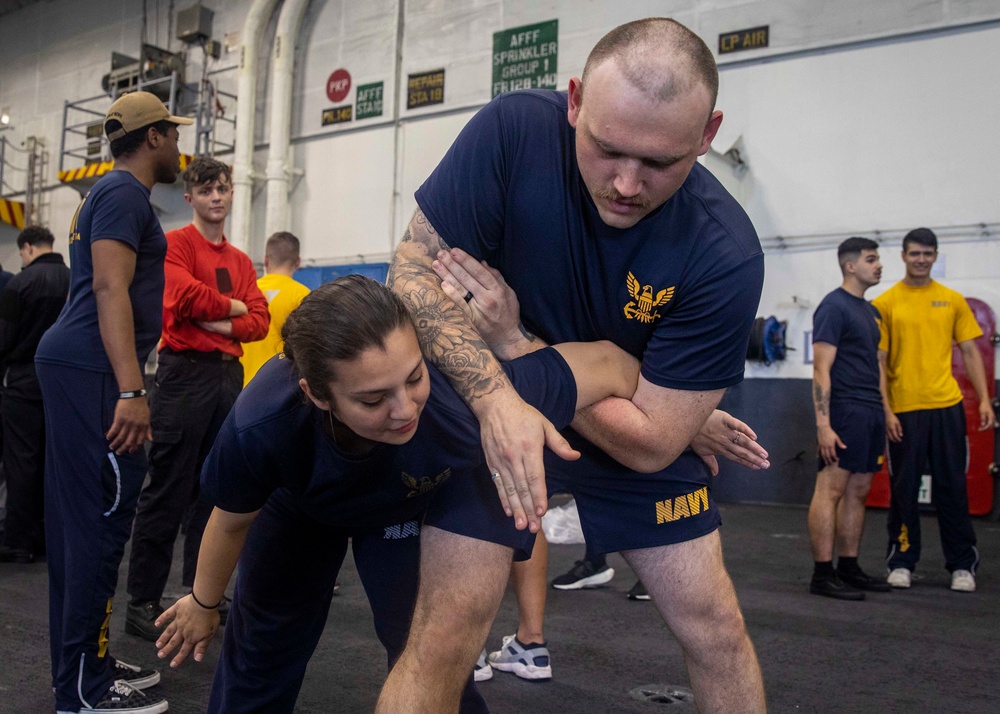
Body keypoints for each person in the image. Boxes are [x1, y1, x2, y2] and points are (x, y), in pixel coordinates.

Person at [379, 17, 769, 713]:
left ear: (708, 136)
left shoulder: (725, 253)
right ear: (575, 101)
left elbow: (651, 443)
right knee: (445, 634)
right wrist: (500, 397)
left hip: (614, 424)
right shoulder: (513, 133)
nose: (626, 183)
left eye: (660, 163)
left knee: (717, 632)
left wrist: (515, 342)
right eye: (607, 149)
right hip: (505, 398)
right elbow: (409, 269)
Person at [152, 274, 640, 713]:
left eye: (413, 378)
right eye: (372, 399)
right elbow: (231, 519)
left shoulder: (460, 396)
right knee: (262, 649)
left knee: (429, 654)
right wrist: (202, 601)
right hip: (299, 510)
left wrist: (680, 416)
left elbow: (607, 361)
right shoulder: (263, 422)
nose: (404, 409)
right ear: (317, 395)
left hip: (401, 510)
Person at [35, 90, 191, 714]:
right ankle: (85, 693)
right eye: (173, 134)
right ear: (153, 138)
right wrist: (132, 387)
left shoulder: (101, 193)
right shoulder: (126, 194)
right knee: (99, 530)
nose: (179, 145)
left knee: (79, 532)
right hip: (95, 371)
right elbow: (108, 287)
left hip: (77, 365)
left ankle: (83, 665)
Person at [126, 156, 269, 642]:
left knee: (216, 489)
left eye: (222, 188)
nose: (215, 196)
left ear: (231, 194)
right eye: (206, 189)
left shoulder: (242, 261)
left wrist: (221, 320)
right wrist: (233, 308)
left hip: (229, 377)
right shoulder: (175, 245)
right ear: (190, 197)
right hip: (184, 375)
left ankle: (200, 592)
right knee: (167, 486)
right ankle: (142, 600)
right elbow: (180, 296)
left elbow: (261, 321)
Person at [874, 227, 996, 592]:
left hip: (947, 408)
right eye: (915, 254)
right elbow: (878, 360)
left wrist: (986, 398)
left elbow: (971, 351)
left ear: (935, 256)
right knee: (904, 489)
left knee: (953, 487)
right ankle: (902, 560)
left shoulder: (952, 300)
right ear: (904, 256)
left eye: (928, 254)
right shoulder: (886, 303)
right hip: (905, 411)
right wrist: (887, 411)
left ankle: (962, 565)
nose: (921, 260)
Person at [806, 237, 891, 600]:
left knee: (859, 491)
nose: (879, 265)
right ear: (850, 265)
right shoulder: (833, 307)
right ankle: (823, 575)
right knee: (832, 489)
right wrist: (823, 425)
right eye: (872, 259)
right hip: (844, 410)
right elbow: (821, 370)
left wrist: (886, 412)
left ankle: (849, 566)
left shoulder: (871, 312)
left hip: (870, 410)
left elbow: (878, 366)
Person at [0, 226, 70, 564]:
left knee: (20, 463)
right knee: (51, 462)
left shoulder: (20, 283)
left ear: (27, 247)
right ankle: (45, 538)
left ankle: (16, 540)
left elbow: (4, 338)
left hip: (23, 384)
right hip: (61, 384)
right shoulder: (74, 281)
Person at [239, 230, 310, 386]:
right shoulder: (303, 296)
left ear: (265, 260)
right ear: (297, 262)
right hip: (277, 386)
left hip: (240, 385)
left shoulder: (245, 292)